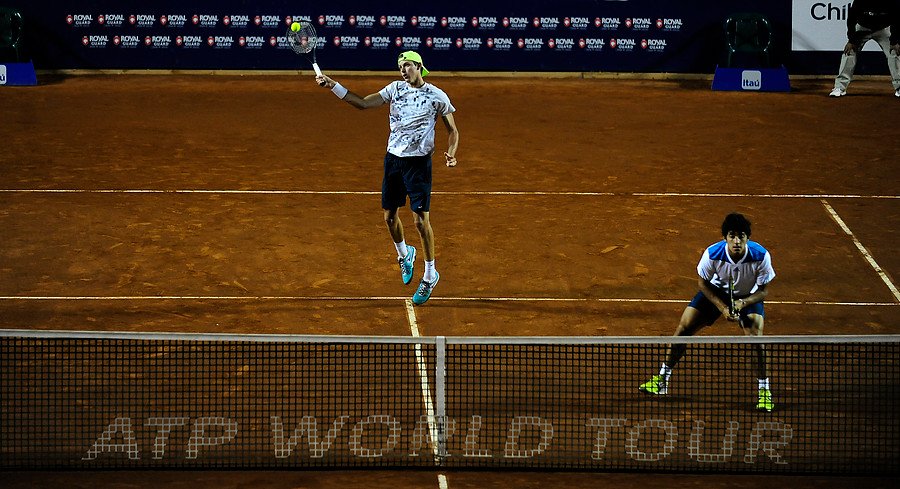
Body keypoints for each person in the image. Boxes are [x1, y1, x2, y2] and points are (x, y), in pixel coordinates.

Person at [315, 51, 459, 305]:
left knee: (420, 221)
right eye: (401, 67)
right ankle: (405, 254)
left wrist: (451, 152)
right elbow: (362, 103)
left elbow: (453, 130)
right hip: (393, 160)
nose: (403, 71)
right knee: (389, 217)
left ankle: (429, 274)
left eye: (408, 66)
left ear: (419, 67)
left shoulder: (437, 96)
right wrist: (333, 86)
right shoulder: (394, 89)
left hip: (418, 164)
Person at [638, 213, 777, 412]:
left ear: (748, 238)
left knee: (756, 339)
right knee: (683, 328)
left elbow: (763, 290)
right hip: (716, 293)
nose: (736, 241)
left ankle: (764, 391)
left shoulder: (761, 256)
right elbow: (702, 283)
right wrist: (722, 307)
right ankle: (662, 379)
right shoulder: (712, 253)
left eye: (741, 236)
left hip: (747, 296)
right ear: (725, 237)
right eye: (732, 236)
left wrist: (741, 303)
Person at [828, 0, 900, 97]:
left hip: (883, 29)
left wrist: (894, 41)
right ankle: (840, 87)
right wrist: (851, 41)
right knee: (849, 52)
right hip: (862, 29)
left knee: (895, 52)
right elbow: (851, 19)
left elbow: (897, 19)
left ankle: (899, 87)